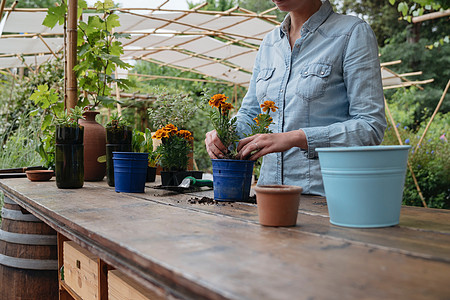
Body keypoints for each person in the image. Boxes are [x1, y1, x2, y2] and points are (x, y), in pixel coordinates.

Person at [205, 0, 387, 195]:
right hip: (268, 194)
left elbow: (370, 126)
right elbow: (251, 114)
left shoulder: (351, 33)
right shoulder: (270, 43)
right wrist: (223, 134)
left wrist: (296, 138)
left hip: (327, 196)